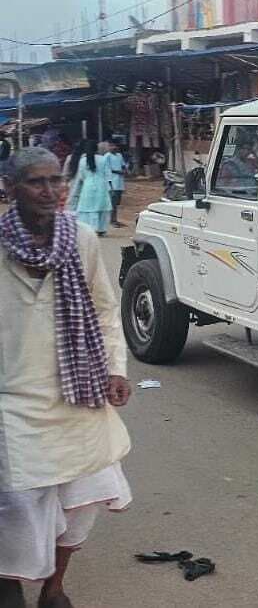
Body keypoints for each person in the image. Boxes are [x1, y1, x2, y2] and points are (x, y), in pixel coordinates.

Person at [0, 147, 131, 608]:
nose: (51, 191)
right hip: (12, 398)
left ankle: (54, 589)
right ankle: (10, 581)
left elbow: (104, 306)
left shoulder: (80, 238)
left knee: (83, 496)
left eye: (57, 180)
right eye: (37, 182)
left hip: (78, 391)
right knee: (18, 505)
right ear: (10, 188)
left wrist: (116, 366)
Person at [67, 140, 113, 236]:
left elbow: (81, 176)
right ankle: (101, 229)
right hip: (102, 186)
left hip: (87, 185)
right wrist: (111, 187)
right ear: (96, 148)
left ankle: (90, 228)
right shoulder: (103, 159)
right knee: (101, 208)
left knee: (88, 208)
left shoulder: (83, 161)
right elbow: (108, 174)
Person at [105, 141, 128, 228]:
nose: (113, 147)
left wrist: (125, 170)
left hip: (119, 182)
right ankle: (112, 221)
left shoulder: (119, 155)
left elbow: (123, 165)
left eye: (115, 145)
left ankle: (115, 219)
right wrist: (119, 172)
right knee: (112, 203)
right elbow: (107, 169)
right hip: (112, 182)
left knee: (116, 203)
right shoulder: (107, 156)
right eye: (111, 146)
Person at [0, 137, 11, 202]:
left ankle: (6, 196)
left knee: (3, 179)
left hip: (2, 162)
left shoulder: (1, 142)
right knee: (5, 178)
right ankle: (7, 196)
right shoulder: (7, 142)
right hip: (6, 161)